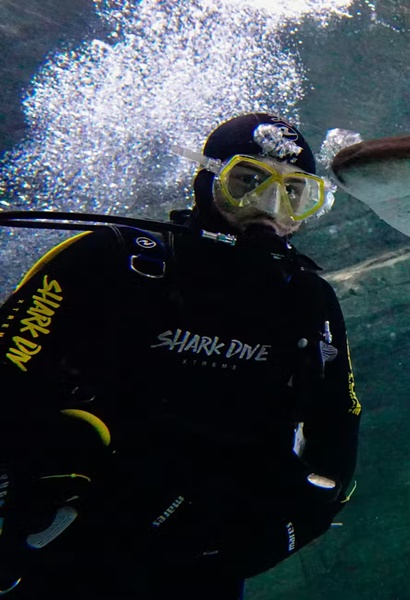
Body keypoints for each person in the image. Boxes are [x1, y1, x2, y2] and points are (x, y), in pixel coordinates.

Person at [0, 113, 361, 599]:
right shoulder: (108, 261)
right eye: (248, 182)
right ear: (206, 182)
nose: (269, 208)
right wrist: (54, 453)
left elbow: (339, 417)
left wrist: (303, 519)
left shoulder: (309, 302)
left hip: (206, 557)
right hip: (65, 540)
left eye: (294, 193)